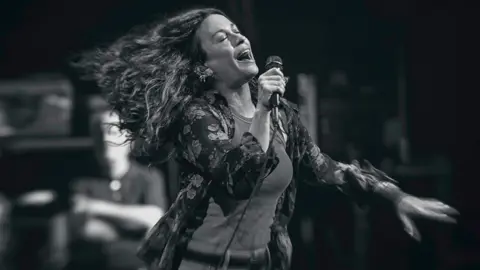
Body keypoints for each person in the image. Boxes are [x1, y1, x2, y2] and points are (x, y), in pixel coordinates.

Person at [74, 7, 458, 270]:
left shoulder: (283, 115)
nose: (238, 37)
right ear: (204, 67)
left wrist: (395, 196)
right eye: (222, 38)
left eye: (237, 31)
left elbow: (325, 168)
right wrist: (260, 109)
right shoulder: (198, 118)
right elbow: (242, 178)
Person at [69, 106, 168, 270]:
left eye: (112, 133)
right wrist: (134, 228)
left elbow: (155, 218)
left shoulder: (149, 178)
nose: (105, 139)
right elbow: (85, 229)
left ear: (129, 140)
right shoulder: (81, 181)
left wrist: (96, 207)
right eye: (99, 133)